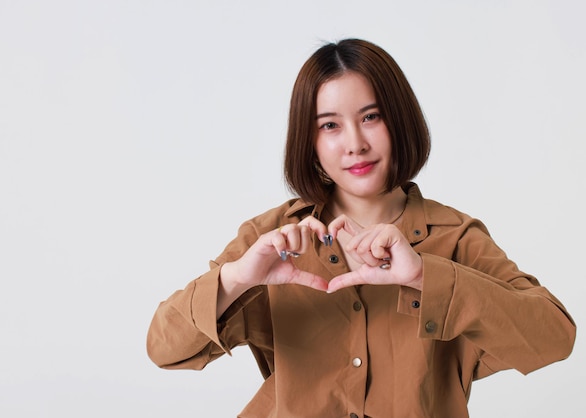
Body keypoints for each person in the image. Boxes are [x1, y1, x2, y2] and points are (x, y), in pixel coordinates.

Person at [146, 38, 576, 418]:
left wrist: (427, 277)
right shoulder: (272, 237)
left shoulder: (456, 237)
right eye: (330, 125)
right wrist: (238, 278)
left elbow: (554, 338)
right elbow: (164, 349)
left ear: (399, 121)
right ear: (309, 141)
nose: (355, 143)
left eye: (371, 117)